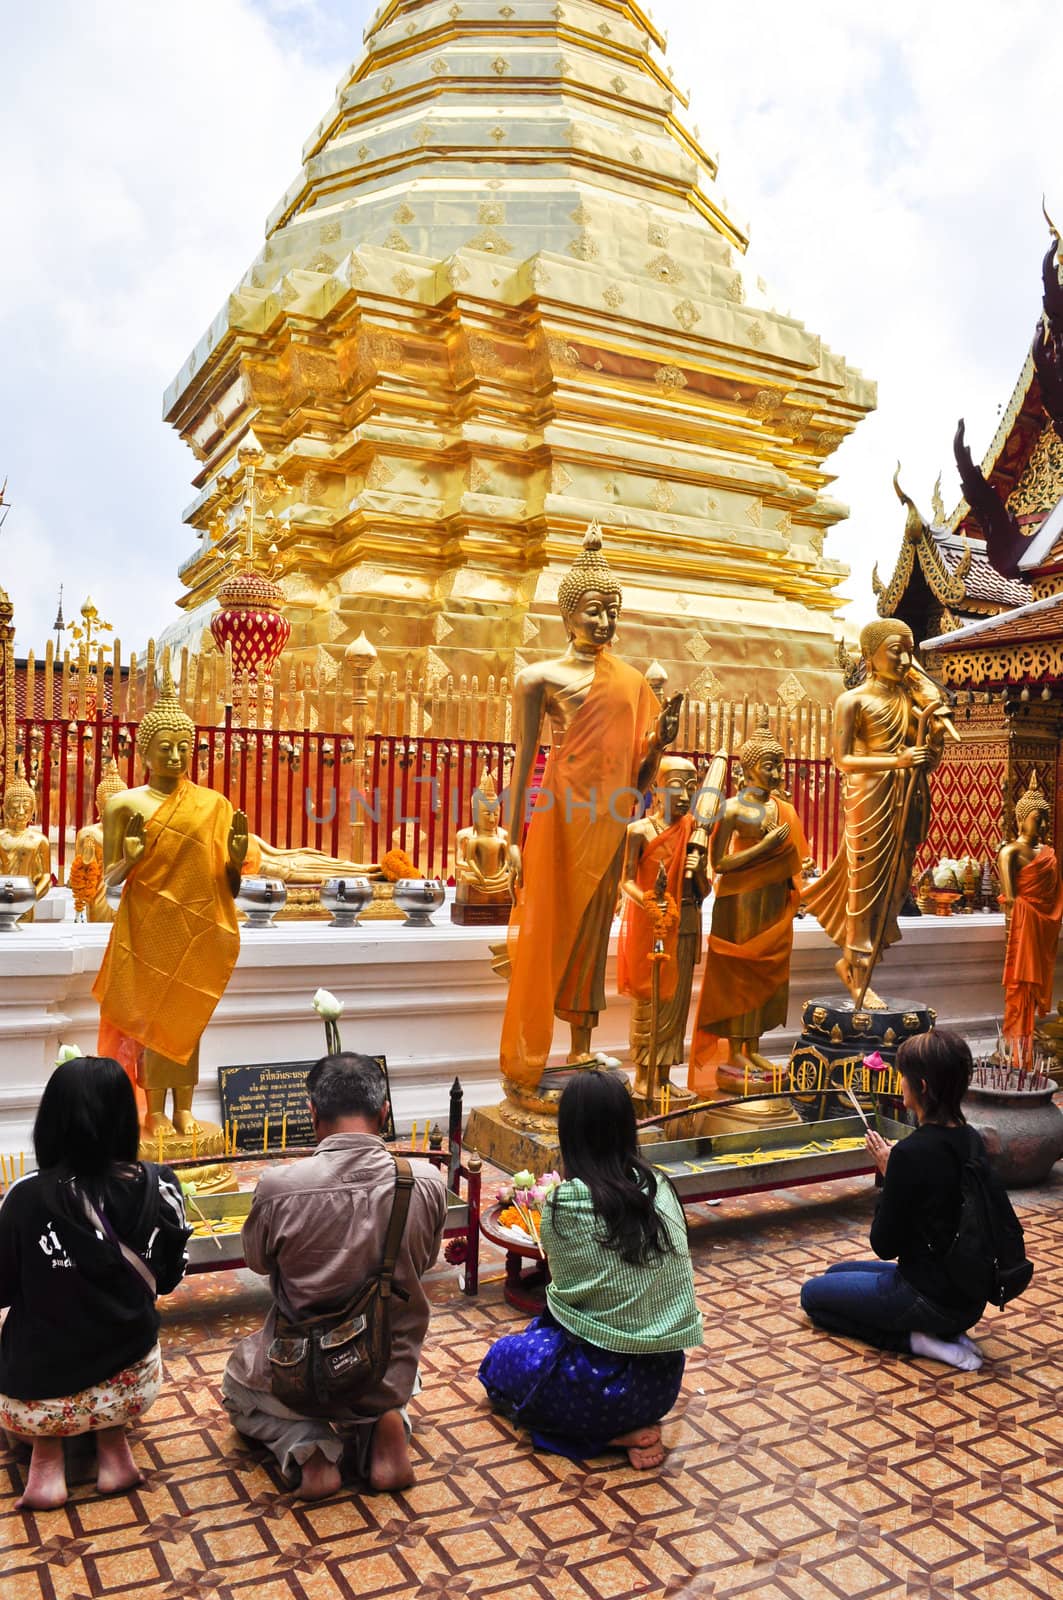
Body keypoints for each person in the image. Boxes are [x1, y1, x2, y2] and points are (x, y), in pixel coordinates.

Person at [500, 522, 682, 1090]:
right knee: (550, 930)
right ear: (568, 614)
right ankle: (536, 1050)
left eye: (612, 613)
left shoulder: (628, 681)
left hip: (609, 820)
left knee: (592, 931)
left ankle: (581, 1047)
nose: (604, 623)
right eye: (594, 611)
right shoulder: (538, 678)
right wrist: (510, 839)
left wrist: (659, 741)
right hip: (559, 821)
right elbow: (523, 760)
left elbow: (638, 765)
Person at [222, 1053, 447, 1499]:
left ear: (311, 1115)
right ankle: (386, 1425)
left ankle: (311, 1447)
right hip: (386, 1366)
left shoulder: (278, 1187)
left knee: (236, 1385)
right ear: (383, 1113)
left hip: (302, 1372)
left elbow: (258, 1262)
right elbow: (423, 1264)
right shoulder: (425, 1182)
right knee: (405, 1366)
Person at [478, 1073, 703, 1468]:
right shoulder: (660, 1186)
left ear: (570, 1134)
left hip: (600, 1389)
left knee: (500, 1362)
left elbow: (563, 1301)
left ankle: (611, 1435)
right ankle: (627, 1428)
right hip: (662, 1385)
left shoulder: (565, 1204)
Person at [0, 1056, 189, 1511]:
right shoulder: (159, 1185)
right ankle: (112, 1447)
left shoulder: (25, 1196)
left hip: (35, 1397)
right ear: (128, 1118)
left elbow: (1, 1290)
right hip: (131, 1388)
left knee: (42, 1341)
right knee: (111, 1335)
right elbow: (168, 1279)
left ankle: (46, 1462)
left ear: (51, 1121)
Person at [94, 662, 248, 1138]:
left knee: (188, 1017)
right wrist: (130, 859)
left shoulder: (213, 805)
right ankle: (155, 1112)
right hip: (147, 928)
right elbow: (109, 881)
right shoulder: (124, 805)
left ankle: (185, 1108)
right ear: (144, 751)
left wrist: (236, 862)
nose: (177, 756)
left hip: (197, 927)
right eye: (165, 748)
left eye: (184, 747)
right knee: (149, 1023)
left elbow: (229, 888)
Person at [800, 1029, 988, 1370]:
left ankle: (917, 1340)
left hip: (926, 1299)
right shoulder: (973, 1139)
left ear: (923, 1088)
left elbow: (884, 1245)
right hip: (969, 1299)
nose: (900, 1084)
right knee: (836, 1271)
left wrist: (892, 1177)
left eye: (903, 1077)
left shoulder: (911, 1153)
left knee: (813, 1295)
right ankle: (948, 1334)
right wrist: (898, 1171)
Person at [803, 619, 952, 1008]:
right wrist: (896, 760)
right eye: (895, 651)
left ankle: (864, 964)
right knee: (865, 888)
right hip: (870, 799)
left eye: (909, 650)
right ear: (870, 656)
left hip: (909, 797)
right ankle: (856, 968)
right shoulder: (852, 700)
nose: (905, 659)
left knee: (896, 888)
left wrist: (929, 744)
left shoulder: (911, 701)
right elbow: (843, 759)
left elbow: (926, 762)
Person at [689, 728, 809, 1095]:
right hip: (739, 901)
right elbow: (720, 862)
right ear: (750, 768)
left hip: (773, 899)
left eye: (779, 767)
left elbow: (795, 857)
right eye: (770, 767)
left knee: (764, 976)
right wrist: (764, 847)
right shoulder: (732, 808)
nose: (776, 775)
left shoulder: (783, 808)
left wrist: (794, 885)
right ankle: (736, 1050)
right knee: (741, 973)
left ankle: (753, 1047)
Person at [998, 773, 1063, 1049]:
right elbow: (1011, 900)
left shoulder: (1048, 853)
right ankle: (1016, 1036)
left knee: (1035, 985)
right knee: (1020, 986)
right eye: (1039, 818)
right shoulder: (1010, 852)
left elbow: (1054, 898)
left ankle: (1029, 1032)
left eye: (1046, 819)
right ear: (1021, 818)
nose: (1045, 824)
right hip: (1020, 928)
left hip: (1042, 927)